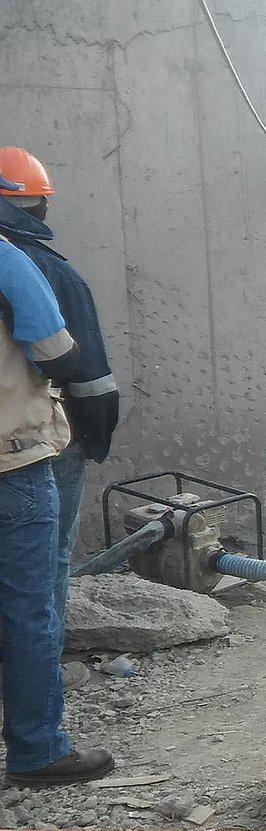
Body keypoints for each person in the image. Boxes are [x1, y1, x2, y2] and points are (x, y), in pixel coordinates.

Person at [0, 220, 115, 785]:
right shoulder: (10, 259)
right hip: (11, 463)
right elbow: (62, 355)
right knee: (28, 608)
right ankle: (37, 751)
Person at [0, 148, 120, 626]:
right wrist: (96, 438)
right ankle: (40, 671)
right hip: (45, 441)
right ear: (41, 207)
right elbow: (86, 374)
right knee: (46, 566)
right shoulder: (46, 272)